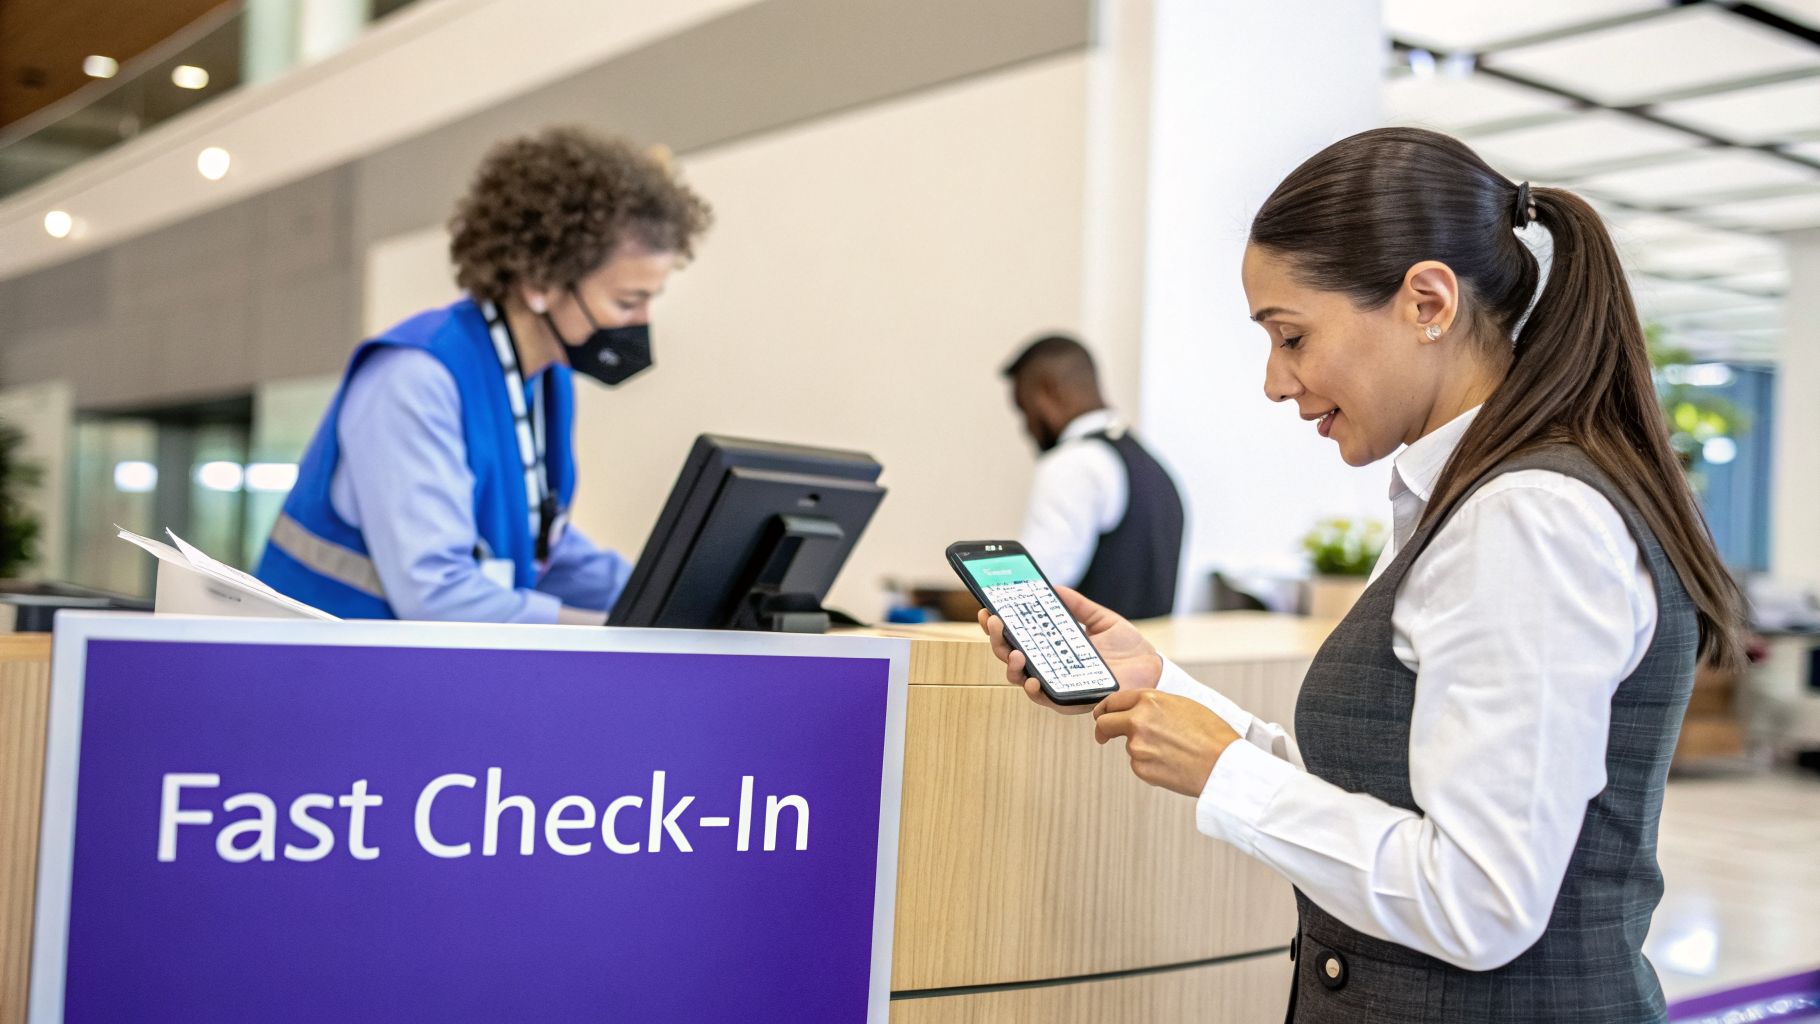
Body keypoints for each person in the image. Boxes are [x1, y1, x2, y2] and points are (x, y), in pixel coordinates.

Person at [981, 127, 1743, 1022]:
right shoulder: (1480, 498)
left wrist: (1227, 773)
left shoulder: (1525, 518)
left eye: (1292, 336)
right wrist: (1164, 688)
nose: (1275, 381)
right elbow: (1388, 796)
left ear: (1427, 302)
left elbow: (1480, 900)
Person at [257, 128, 711, 622]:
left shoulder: (543, 379)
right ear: (539, 282)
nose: (641, 322)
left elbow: (541, 544)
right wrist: (614, 630)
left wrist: (672, 599)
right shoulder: (416, 377)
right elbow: (438, 594)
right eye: (628, 300)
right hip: (324, 671)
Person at [1002, 334, 1186, 619]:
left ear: (1047, 391)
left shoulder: (1072, 464)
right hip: (1151, 658)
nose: (1026, 428)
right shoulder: (1153, 467)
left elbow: (1028, 595)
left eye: (1024, 410)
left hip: (1093, 658)